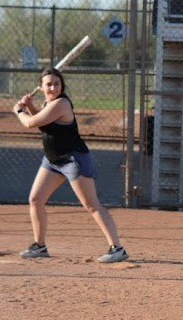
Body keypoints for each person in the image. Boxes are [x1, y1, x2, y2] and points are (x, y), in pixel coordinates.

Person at [13, 68, 128, 263]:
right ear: (41, 87)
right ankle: (39, 246)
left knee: (91, 204)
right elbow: (44, 123)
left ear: (62, 86)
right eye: (48, 84)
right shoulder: (48, 103)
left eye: (57, 84)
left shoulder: (62, 103)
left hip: (73, 160)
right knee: (35, 199)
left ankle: (117, 248)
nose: (53, 87)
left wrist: (19, 110)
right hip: (53, 161)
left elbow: (31, 123)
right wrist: (31, 106)